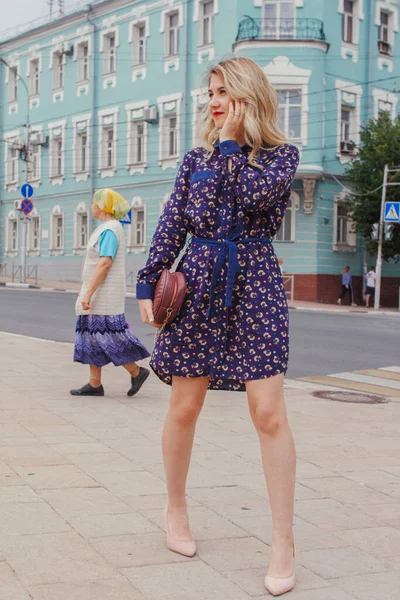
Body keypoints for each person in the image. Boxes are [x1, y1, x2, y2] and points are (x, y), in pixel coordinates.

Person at [137, 57, 299, 596]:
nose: (212, 101)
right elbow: (173, 223)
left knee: (268, 412)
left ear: (250, 97)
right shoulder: (194, 161)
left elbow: (254, 198)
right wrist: (148, 280)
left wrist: (231, 146)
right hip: (199, 283)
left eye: (224, 91)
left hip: (255, 282)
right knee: (185, 405)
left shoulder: (280, 157)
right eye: (210, 92)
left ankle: (282, 540)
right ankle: (175, 509)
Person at [71, 188, 150, 397]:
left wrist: (88, 294)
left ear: (102, 206)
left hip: (103, 295)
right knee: (91, 336)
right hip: (98, 294)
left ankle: (136, 371)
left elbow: (105, 263)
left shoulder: (110, 230)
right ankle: (95, 384)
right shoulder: (106, 228)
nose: (91, 206)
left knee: (109, 338)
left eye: (94, 202)